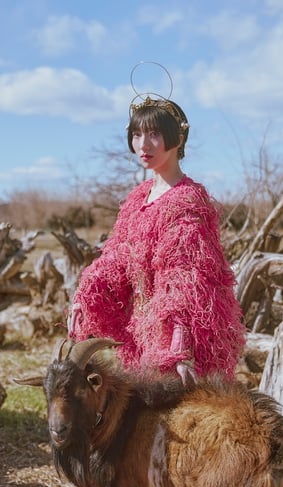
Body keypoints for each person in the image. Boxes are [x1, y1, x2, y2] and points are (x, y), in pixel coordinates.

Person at [68, 94, 245, 383]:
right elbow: (117, 256)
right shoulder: (138, 197)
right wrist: (85, 295)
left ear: (178, 139)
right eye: (136, 134)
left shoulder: (187, 199)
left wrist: (180, 346)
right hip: (140, 331)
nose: (143, 144)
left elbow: (187, 278)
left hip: (179, 337)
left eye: (154, 134)